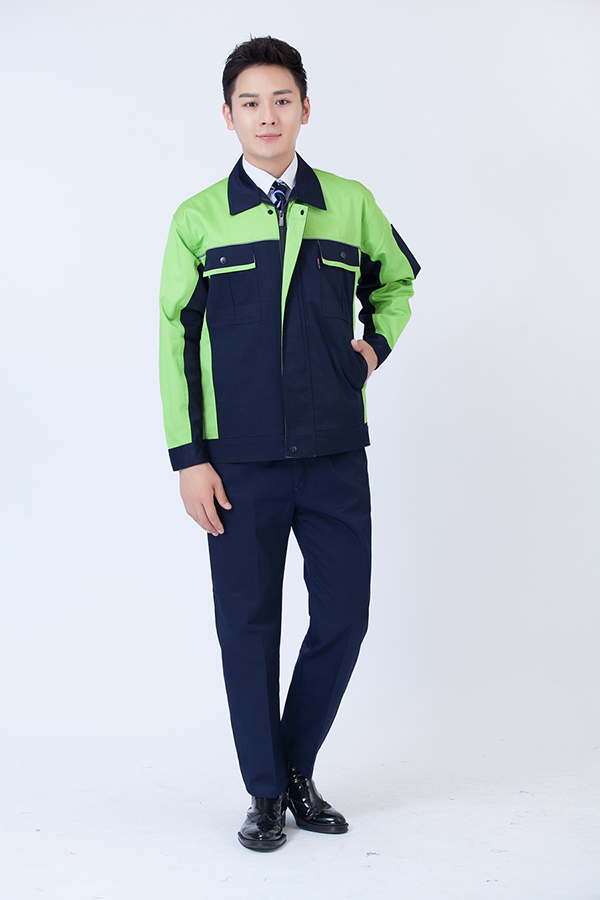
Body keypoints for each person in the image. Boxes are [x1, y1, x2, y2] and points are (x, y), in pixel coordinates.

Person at [158, 36, 420, 852]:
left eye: (281, 100)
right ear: (228, 115)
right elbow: (174, 340)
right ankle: (267, 793)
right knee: (247, 627)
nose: (266, 116)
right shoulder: (199, 218)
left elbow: (397, 281)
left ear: (305, 107)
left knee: (344, 616)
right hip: (237, 463)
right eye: (250, 103)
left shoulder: (350, 202)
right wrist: (190, 459)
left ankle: (296, 766)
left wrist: (369, 352)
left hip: (334, 451)